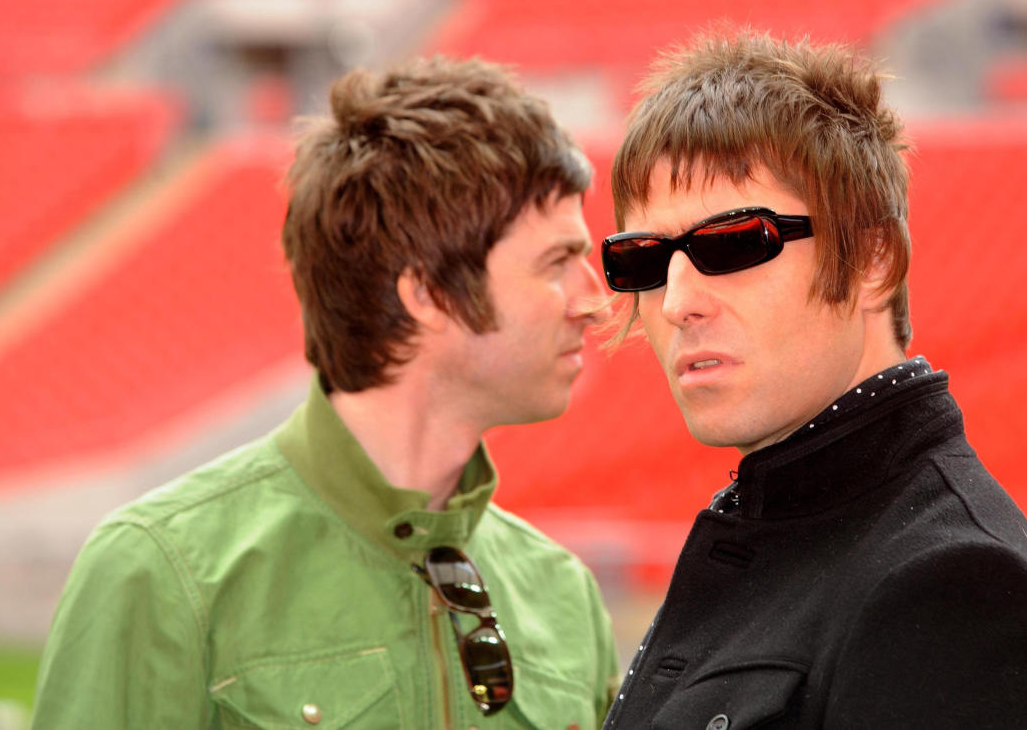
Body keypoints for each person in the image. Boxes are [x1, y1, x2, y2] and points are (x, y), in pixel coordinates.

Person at [32, 57, 619, 729]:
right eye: (555, 262)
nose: (594, 300)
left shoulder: (563, 593)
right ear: (426, 293)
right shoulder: (161, 572)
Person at [599, 32, 1027, 729]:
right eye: (642, 260)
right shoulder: (797, 517)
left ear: (872, 261)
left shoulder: (948, 583)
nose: (677, 300)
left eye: (733, 242)